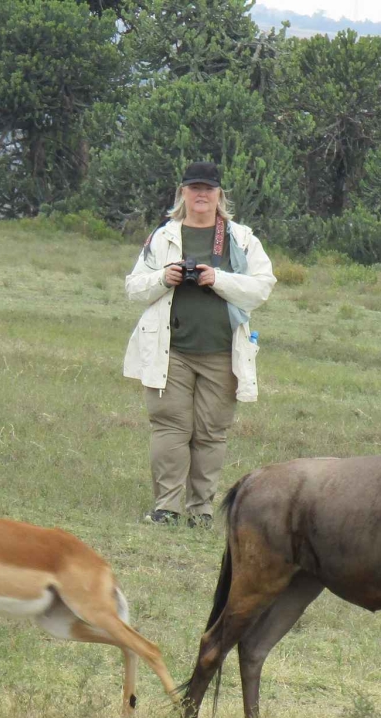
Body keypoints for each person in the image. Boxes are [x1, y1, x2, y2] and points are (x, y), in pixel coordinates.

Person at [124, 162, 277, 528]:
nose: (201, 195)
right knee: (169, 427)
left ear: (219, 195)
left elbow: (262, 287)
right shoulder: (164, 237)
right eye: (194, 188)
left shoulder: (240, 239)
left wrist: (216, 278)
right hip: (169, 350)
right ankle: (167, 508)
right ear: (183, 193)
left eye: (208, 189)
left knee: (211, 432)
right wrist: (165, 277)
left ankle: (201, 511)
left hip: (222, 353)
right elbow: (133, 286)